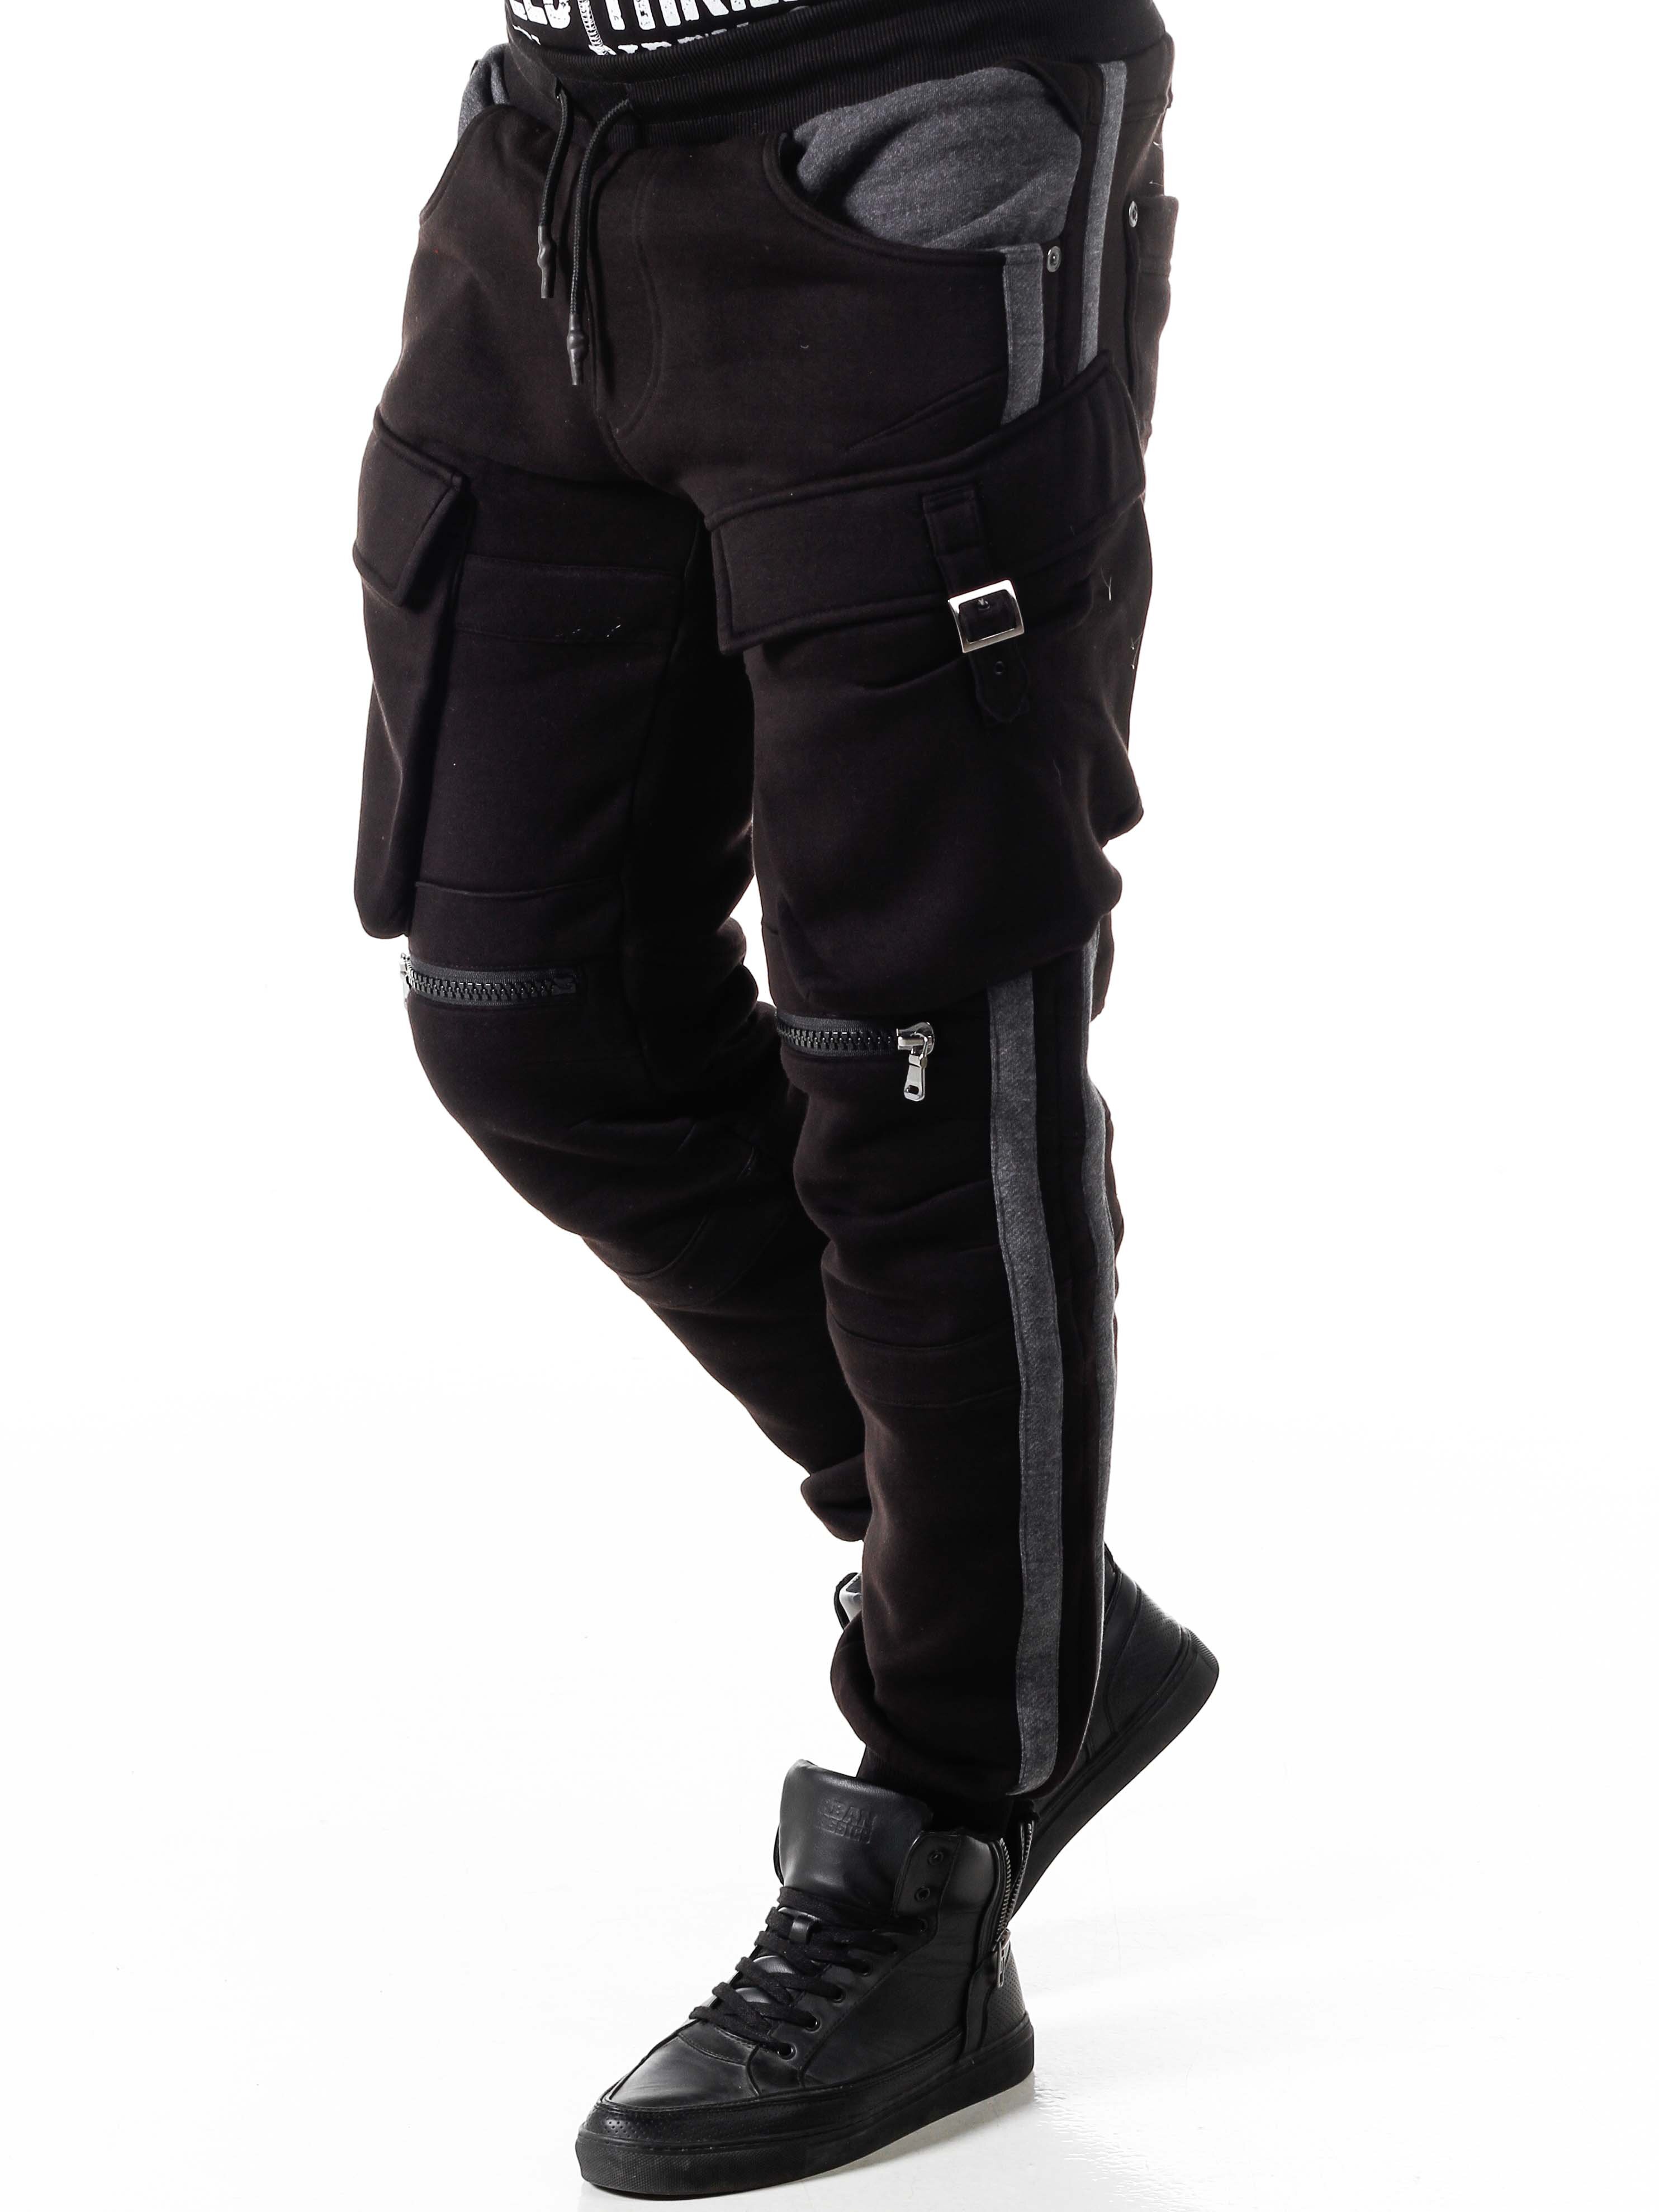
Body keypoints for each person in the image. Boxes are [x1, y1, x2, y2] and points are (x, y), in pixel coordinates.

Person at [352, 0, 1213, 2190]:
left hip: (907, 138)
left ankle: (940, 1838)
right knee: (528, 1000)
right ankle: (1018, 1600)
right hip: (555, 167)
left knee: (915, 1047)